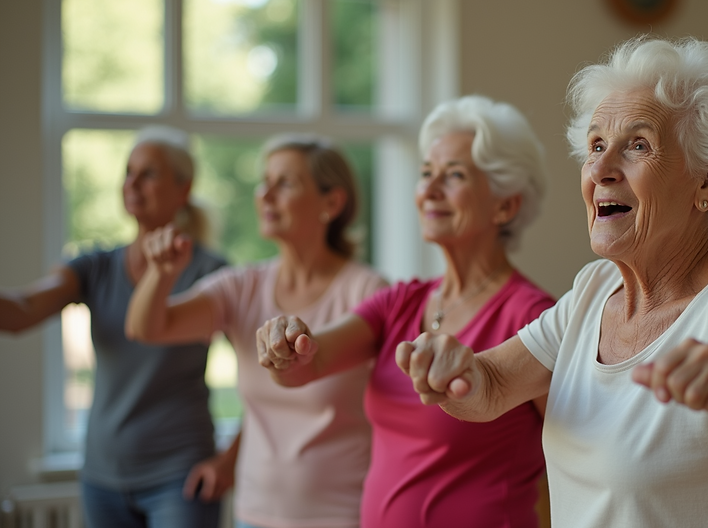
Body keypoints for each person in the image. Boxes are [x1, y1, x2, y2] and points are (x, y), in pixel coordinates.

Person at [374, 37, 708, 527]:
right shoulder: (592, 292)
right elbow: (491, 386)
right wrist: (453, 369)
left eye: (638, 145)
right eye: (595, 146)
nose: (601, 169)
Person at [254, 95, 554, 528]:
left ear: (505, 205)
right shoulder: (399, 301)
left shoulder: (536, 317)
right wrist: (285, 347)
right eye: (426, 173)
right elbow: (308, 363)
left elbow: (580, 452)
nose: (429, 190)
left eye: (454, 175)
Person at [125, 134, 387, 528]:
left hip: (343, 514)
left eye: (285, 183)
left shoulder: (367, 291)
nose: (265, 195)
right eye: (265, 183)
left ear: (331, 203)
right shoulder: (242, 286)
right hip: (254, 513)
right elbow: (146, 327)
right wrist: (161, 274)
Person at [0, 126, 226, 528]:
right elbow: (22, 310)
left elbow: (264, 371)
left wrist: (232, 458)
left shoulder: (211, 273)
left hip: (180, 475)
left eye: (148, 173)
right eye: (128, 172)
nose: (132, 184)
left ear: (184, 188)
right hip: (102, 477)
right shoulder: (94, 266)